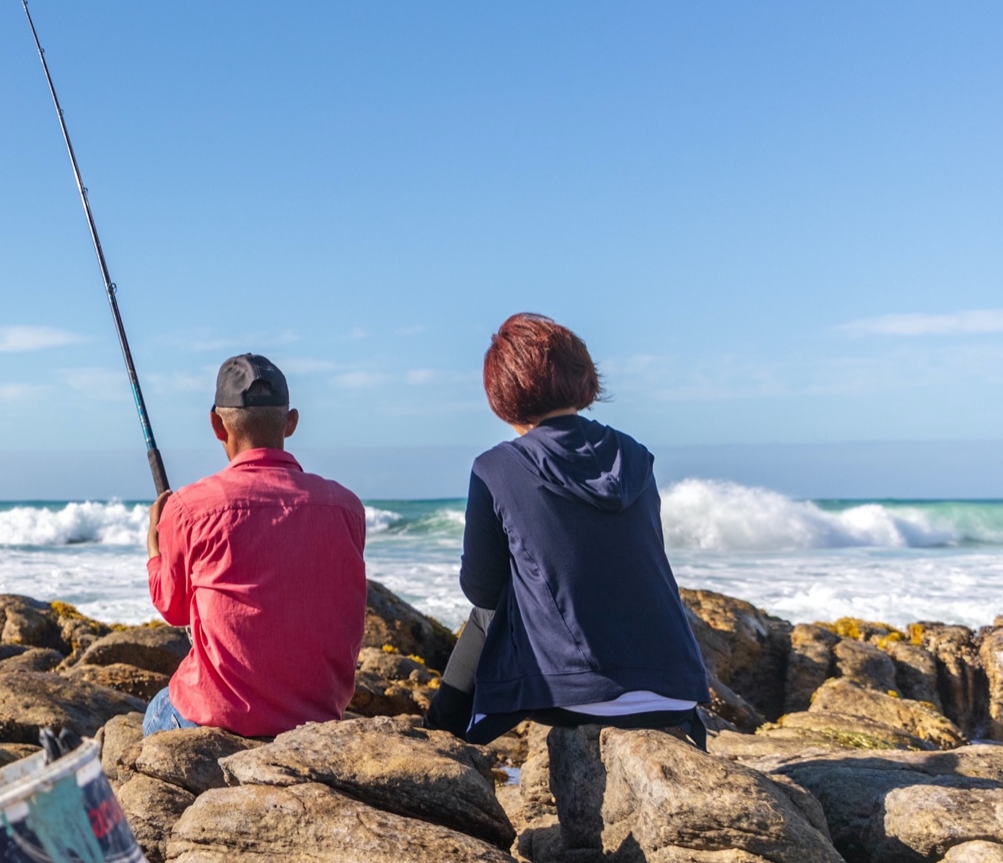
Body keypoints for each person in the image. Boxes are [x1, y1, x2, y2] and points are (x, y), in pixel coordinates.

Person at [425, 314, 709, 747]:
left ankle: (437, 743)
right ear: (584, 376)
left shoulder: (496, 467)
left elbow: (482, 590)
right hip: (675, 689)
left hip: (577, 695)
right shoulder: (635, 456)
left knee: (488, 614)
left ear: (502, 394)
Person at [143, 353, 367, 738]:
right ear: (291, 422)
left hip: (217, 717)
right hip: (317, 719)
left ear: (216, 424)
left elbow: (173, 607)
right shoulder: (346, 507)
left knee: (156, 710)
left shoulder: (188, 507)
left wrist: (155, 547)